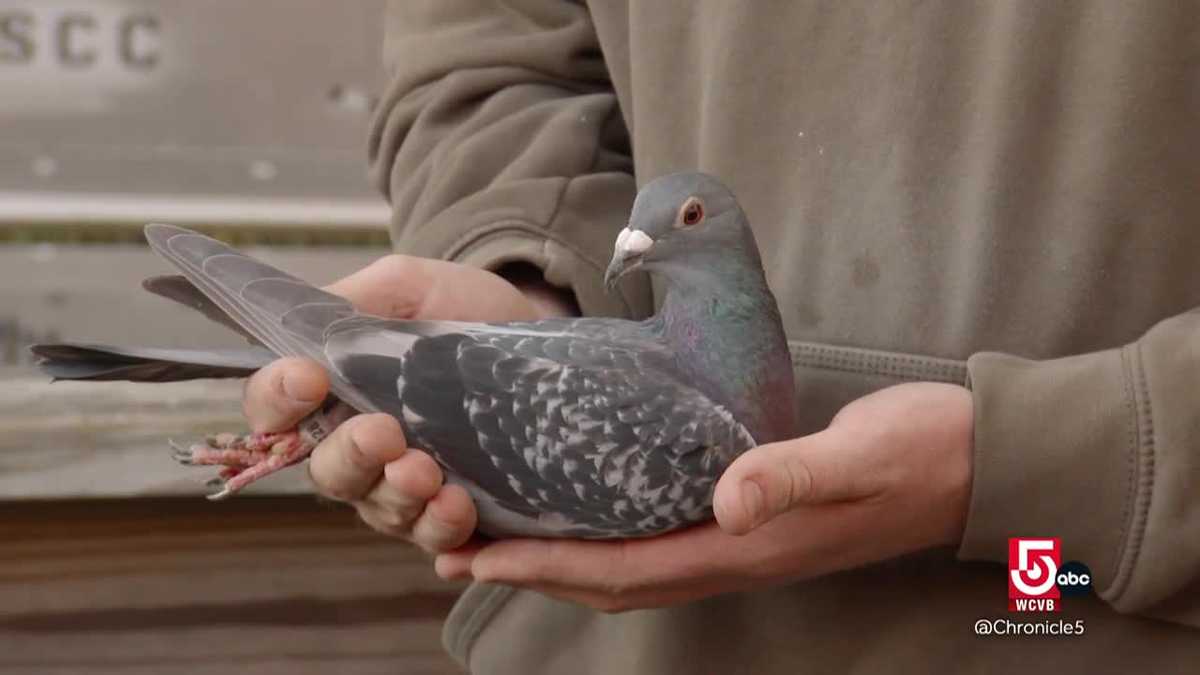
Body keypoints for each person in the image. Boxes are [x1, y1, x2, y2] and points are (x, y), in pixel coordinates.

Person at [244, 1, 1200, 672]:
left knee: (1043, 601)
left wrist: (1078, 460)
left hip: (1071, 606)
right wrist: (527, 270)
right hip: (656, 646)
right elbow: (490, 51)